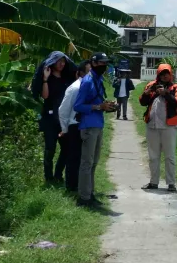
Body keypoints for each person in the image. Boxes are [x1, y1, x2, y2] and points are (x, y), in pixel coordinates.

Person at [74, 52, 117, 207]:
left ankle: (89, 194)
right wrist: (98, 106)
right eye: (101, 63)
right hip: (88, 126)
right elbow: (77, 105)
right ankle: (83, 198)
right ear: (93, 64)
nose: (104, 66)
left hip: (98, 124)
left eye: (105, 63)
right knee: (87, 162)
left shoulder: (98, 80)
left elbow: (97, 101)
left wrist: (107, 105)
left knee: (94, 162)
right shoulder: (87, 81)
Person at [32, 51, 76, 184]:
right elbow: (45, 96)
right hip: (50, 118)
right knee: (50, 148)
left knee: (66, 148)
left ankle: (58, 174)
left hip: (63, 118)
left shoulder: (67, 77)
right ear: (53, 62)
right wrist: (45, 78)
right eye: (59, 61)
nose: (62, 64)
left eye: (63, 61)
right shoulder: (48, 78)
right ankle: (48, 177)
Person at [138, 64, 177, 192]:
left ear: (170, 74)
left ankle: (171, 183)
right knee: (153, 156)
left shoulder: (175, 88)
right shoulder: (151, 85)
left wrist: (166, 93)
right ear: (158, 74)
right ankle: (153, 182)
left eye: (167, 73)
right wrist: (148, 92)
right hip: (152, 125)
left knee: (170, 156)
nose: (165, 75)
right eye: (162, 73)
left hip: (169, 126)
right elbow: (142, 102)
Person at [58, 60, 91, 193]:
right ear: (80, 73)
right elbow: (63, 110)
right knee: (74, 158)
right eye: (88, 71)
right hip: (75, 126)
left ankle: (80, 185)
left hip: (86, 125)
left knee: (84, 158)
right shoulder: (75, 88)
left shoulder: (90, 87)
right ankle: (71, 186)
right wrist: (65, 129)